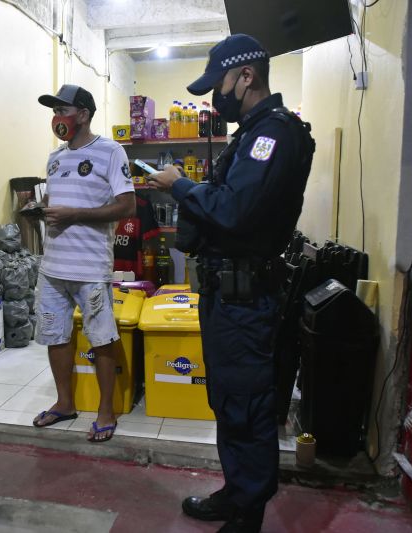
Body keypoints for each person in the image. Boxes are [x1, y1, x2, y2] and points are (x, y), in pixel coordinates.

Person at [147, 34, 315, 533]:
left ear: (246, 76)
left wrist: (178, 184)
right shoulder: (250, 134)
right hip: (226, 292)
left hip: (248, 297)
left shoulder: (274, 135)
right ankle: (235, 490)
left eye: (217, 84)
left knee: (247, 403)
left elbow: (236, 211)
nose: (213, 98)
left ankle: (249, 512)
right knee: (227, 398)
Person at [31, 84, 136, 442]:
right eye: (54, 111)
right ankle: (65, 403)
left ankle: (106, 410)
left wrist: (75, 214)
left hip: (90, 268)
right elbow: (62, 205)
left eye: (63, 110)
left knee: (101, 339)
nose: (57, 118)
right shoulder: (54, 158)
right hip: (53, 268)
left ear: (84, 115)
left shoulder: (110, 151)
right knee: (55, 337)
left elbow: (127, 205)